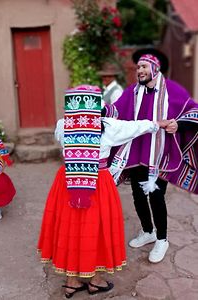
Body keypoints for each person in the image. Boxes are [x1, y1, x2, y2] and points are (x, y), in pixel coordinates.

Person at [37, 85, 172, 298]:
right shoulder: (107, 127)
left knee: (71, 227)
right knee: (96, 228)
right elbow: (136, 127)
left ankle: (71, 282)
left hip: (68, 182)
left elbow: (62, 140)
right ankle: (95, 280)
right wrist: (158, 124)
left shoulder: (62, 125)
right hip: (97, 184)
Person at [107, 48, 198, 264]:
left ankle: (162, 239)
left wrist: (179, 124)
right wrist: (97, 109)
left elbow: (193, 111)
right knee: (138, 195)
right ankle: (147, 231)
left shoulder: (173, 90)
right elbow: (116, 111)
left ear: (154, 68)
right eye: (138, 67)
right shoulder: (132, 92)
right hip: (137, 153)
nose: (139, 70)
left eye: (144, 66)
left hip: (161, 156)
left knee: (156, 196)